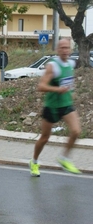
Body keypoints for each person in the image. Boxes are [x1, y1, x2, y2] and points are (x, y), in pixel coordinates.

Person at [30, 39, 81, 177]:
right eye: (62, 48)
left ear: (70, 50)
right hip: (51, 107)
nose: (65, 50)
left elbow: (68, 82)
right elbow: (41, 86)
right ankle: (34, 161)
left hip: (66, 105)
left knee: (76, 131)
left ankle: (64, 158)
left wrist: (71, 92)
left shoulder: (71, 64)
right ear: (58, 50)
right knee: (45, 138)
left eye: (67, 48)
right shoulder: (52, 66)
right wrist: (58, 89)